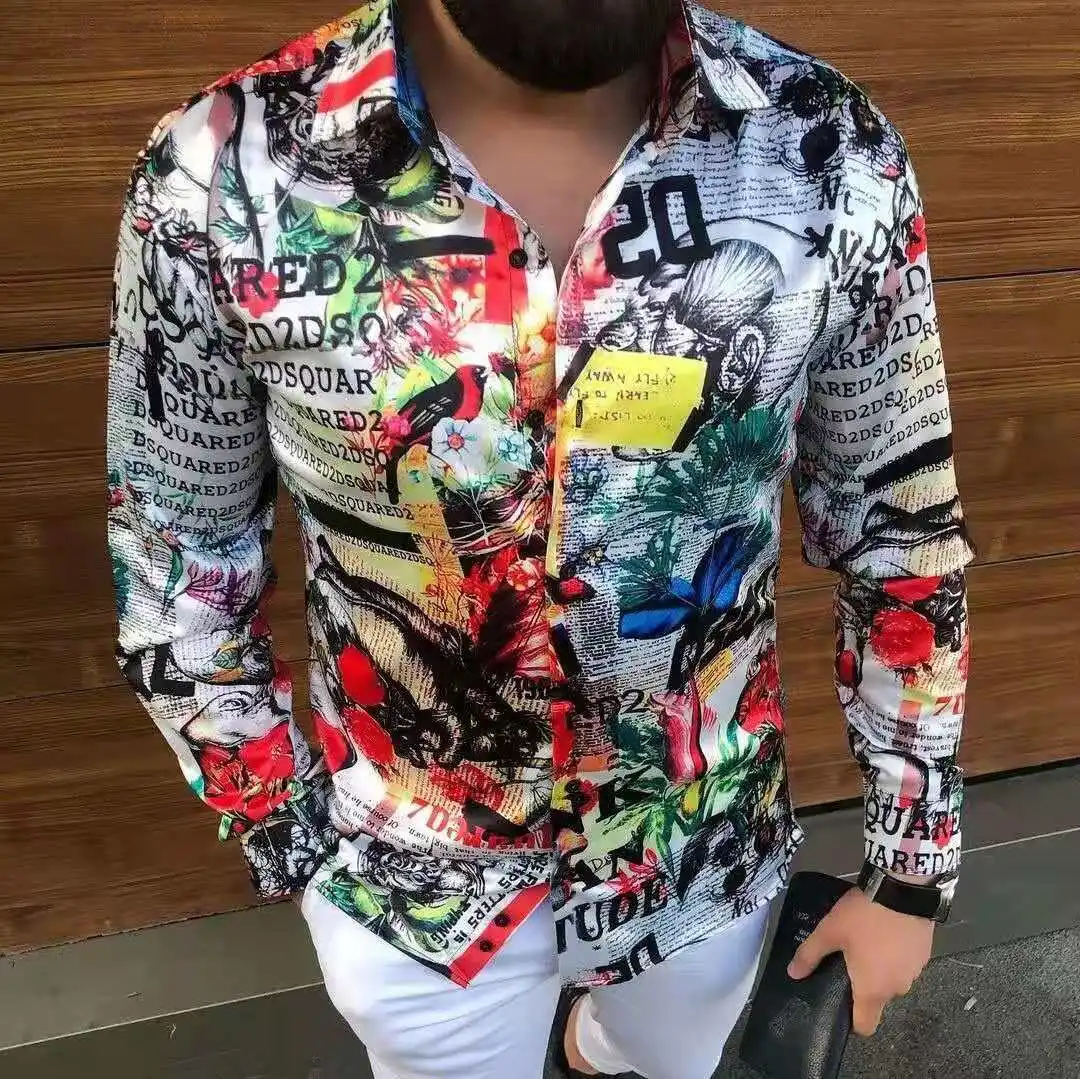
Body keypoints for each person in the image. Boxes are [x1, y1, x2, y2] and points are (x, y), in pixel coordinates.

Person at [106, 1, 973, 1076]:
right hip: (409, 892)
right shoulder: (217, 178)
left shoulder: (828, 150)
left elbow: (902, 532)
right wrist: (297, 839)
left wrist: (909, 868)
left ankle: (597, 1044)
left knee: (667, 1055)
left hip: (702, 858)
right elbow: (177, 566)